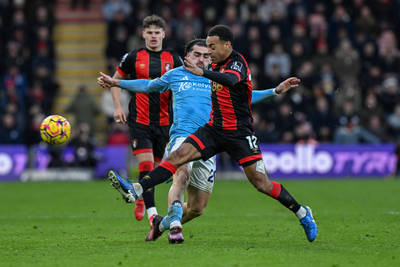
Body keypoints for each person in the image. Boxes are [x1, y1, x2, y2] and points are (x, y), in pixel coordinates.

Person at [104, 25, 318, 243]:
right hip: (212, 129)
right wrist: (117, 82)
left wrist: (274, 91)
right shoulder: (186, 72)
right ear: (187, 56)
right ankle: (137, 188)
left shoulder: (235, 63)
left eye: (211, 48)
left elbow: (235, 84)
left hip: (238, 133)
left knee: (257, 184)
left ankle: (302, 212)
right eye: (203, 50)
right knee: (178, 161)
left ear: (226, 45)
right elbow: (149, 85)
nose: (208, 54)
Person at [109, 15, 182, 225]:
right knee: (147, 166)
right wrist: (117, 107)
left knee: (158, 170)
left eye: (157, 32)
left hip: (165, 123)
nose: (153, 36)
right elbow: (115, 81)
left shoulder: (174, 59)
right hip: (139, 121)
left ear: (163, 34)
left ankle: (139, 194)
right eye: (149, 32)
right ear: (143, 34)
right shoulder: (133, 56)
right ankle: (152, 214)